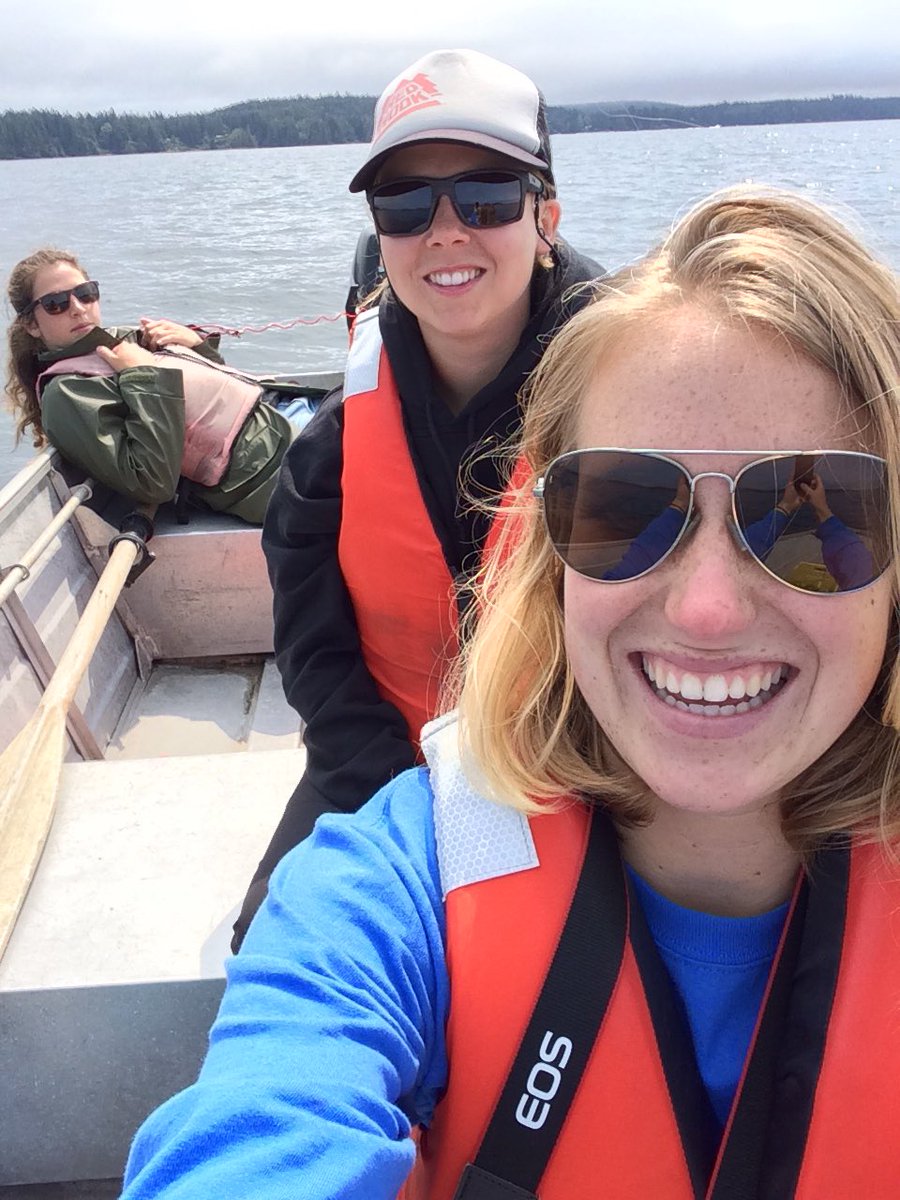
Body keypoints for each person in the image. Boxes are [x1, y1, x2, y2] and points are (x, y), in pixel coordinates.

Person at [120, 185, 900, 1196]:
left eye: (813, 512)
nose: (709, 609)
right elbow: (264, 1123)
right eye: (622, 507)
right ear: (549, 560)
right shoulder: (389, 893)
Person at [233, 48, 602, 943]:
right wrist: (390, 788)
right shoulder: (336, 436)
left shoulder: (631, 391)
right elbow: (311, 637)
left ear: (544, 215)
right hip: (381, 755)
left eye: (483, 197)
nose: (444, 232)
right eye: (404, 205)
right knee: (276, 944)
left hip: (590, 767)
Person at [5, 249, 319, 525]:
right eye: (56, 303)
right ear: (32, 324)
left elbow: (212, 407)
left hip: (286, 417)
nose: (78, 307)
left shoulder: (122, 341)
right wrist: (144, 376)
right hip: (271, 473)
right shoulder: (68, 393)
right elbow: (152, 481)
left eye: (85, 293)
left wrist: (197, 348)